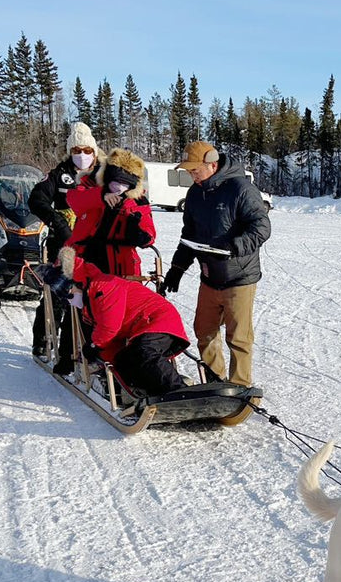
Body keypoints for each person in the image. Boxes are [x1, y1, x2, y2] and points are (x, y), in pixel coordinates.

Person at [161, 141, 270, 387]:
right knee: (204, 331)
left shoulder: (241, 189)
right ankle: (215, 382)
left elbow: (261, 228)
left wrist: (233, 247)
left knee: (239, 338)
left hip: (239, 277)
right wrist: (176, 270)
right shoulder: (194, 194)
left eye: (195, 170)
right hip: (209, 277)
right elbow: (189, 235)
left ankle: (239, 388)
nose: (192, 176)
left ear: (212, 164)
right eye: (188, 172)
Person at [55, 247, 190, 399]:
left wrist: (94, 346)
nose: (70, 300)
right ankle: (150, 392)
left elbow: (109, 328)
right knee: (123, 360)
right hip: (141, 326)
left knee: (144, 352)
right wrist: (105, 360)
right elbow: (111, 341)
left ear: (78, 283)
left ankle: (180, 391)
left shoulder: (103, 288)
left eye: (69, 293)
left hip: (157, 320)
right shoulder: (90, 301)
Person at [28, 122, 105, 362]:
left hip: (92, 245)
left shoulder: (104, 174)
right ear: (70, 151)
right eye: (76, 150)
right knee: (57, 294)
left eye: (86, 150)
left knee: (88, 297)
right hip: (63, 245)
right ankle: (41, 340)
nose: (82, 155)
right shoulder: (59, 174)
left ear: (94, 151)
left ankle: (76, 346)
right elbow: (36, 200)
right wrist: (55, 219)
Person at [66, 147, 156, 279]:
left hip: (121, 264)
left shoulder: (138, 202)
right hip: (86, 257)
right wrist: (101, 196)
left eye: (125, 184)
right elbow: (73, 199)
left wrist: (141, 236)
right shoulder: (91, 188)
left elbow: (150, 233)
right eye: (115, 182)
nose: (119, 187)